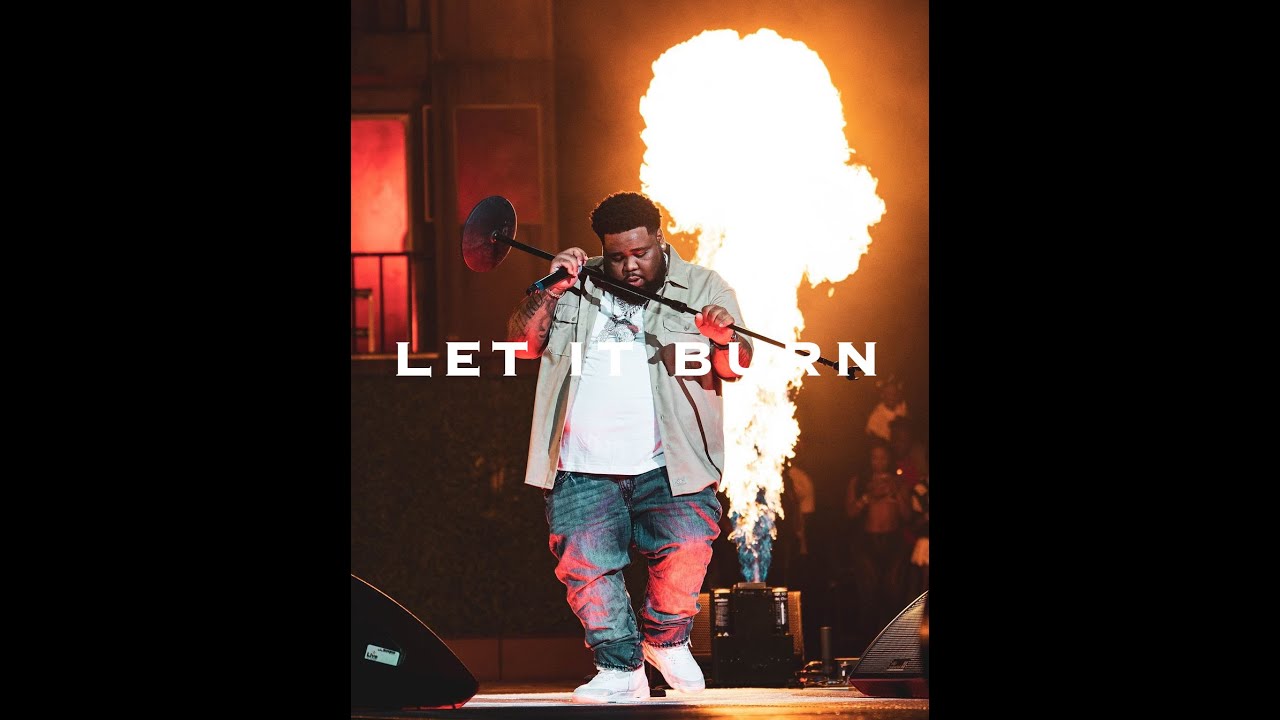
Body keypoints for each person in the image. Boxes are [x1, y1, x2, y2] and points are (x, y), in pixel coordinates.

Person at [505, 191, 754, 703]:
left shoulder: (705, 285)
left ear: (659, 240)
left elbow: (736, 365)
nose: (630, 266)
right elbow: (520, 345)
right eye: (617, 256)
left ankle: (665, 638)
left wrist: (722, 338)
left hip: (672, 461)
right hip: (580, 463)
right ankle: (620, 667)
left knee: (688, 547)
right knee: (587, 568)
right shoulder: (574, 283)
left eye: (640, 253)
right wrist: (551, 290)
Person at [864, 374, 908, 443]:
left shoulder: (902, 407)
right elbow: (873, 440)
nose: (892, 397)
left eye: (894, 393)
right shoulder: (875, 418)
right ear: (882, 395)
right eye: (889, 394)